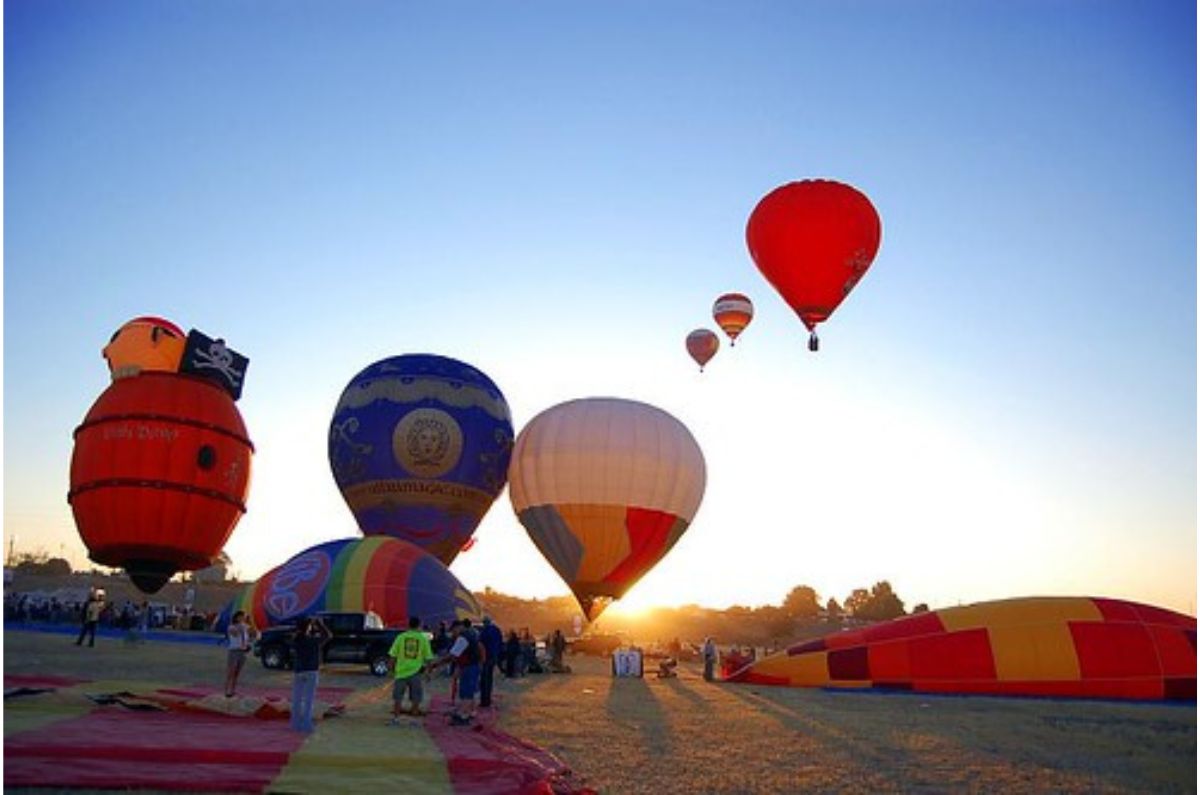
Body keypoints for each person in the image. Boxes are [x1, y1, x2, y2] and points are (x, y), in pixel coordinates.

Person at [430, 619, 484, 726]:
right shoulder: (473, 634)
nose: (453, 633)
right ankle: (470, 712)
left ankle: (463, 715)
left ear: (458, 627)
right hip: (473, 665)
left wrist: (436, 664)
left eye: (453, 630)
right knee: (471, 690)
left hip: (469, 666)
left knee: (465, 691)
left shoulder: (463, 638)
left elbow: (453, 655)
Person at [387, 616, 433, 722]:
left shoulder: (400, 637)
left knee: (398, 697)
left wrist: (390, 669)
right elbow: (428, 658)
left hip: (401, 672)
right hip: (416, 672)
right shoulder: (423, 639)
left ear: (409, 625)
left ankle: (396, 718)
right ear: (419, 625)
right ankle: (414, 718)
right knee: (416, 697)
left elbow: (393, 655)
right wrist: (428, 672)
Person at [290, 615, 331, 733]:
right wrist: (319, 624)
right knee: (308, 699)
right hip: (311, 670)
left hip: (299, 671)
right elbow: (328, 636)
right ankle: (306, 723)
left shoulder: (296, 639)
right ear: (308, 627)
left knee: (297, 698)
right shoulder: (312, 640)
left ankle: (295, 723)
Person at [224, 610, 258, 697]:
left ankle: (233, 690)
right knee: (231, 671)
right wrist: (242, 626)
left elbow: (256, 634)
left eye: (243, 617)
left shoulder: (246, 626)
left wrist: (251, 623)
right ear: (237, 617)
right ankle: (226, 690)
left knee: (237, 673)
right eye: (241, 616)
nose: (243, 618)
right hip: (234, 651)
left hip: (243, 652)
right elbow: (235, 633)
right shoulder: (231, 627)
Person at [478, 616, 503, 708]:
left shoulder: (484, 632)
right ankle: (488, 699)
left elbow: (480, 645)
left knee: (484, 679)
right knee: (489, 678)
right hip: (494, 657)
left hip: (486, 657)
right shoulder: (497, 630)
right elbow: (500, 643)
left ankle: (484, 701)